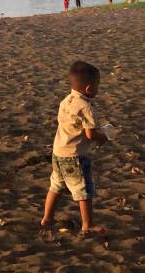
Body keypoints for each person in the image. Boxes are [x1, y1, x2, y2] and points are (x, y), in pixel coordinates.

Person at [40, 60, 109, 236]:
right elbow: (90, 135)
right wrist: (103, 137)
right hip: (75, 156)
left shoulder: (66, 101)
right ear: (88, 88)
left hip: (58, 152)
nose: (98, 89)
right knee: (84, 190)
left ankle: (47, 218)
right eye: (97, 86)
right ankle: (88, 224)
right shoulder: (85, 107)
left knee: (56, 186)